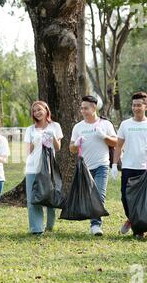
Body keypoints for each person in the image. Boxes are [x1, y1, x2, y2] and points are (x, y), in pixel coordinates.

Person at [111, 91, 147, 240]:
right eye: (134, 105)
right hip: (128, 167)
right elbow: (118, 146)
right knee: (125, 199)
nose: (136, 108)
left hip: (145, 169)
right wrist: (114, 165)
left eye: (139, 105)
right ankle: (132, 219)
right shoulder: (125, 124)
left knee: (142, 201)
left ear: (145, 106)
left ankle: (139, 230)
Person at [69, 95, 118, 236]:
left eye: (86, 108)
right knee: (91, 196)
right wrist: (76, 143)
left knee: (99, 195)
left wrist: (104, 136)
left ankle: (96, 225)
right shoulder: (78, 127)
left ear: (94, 108)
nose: (83, 111)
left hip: (102, 165)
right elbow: (71, 148)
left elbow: (115, 143)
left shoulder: (105, 125)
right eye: (82, 108)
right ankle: (94, 223)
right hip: (85, 168)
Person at [24, 101, 63, 235]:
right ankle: (36, 229)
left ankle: (50, 225)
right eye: (34, 111)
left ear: (46, 110)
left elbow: (58, 148)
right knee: (33, 198)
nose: (37, 112)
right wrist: (37, 140)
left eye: (39, 109)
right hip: (32, 168)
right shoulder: (30, 129)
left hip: (49, 168)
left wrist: (52, 136)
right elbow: (28, 151)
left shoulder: (55, 126)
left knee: (49, 196)